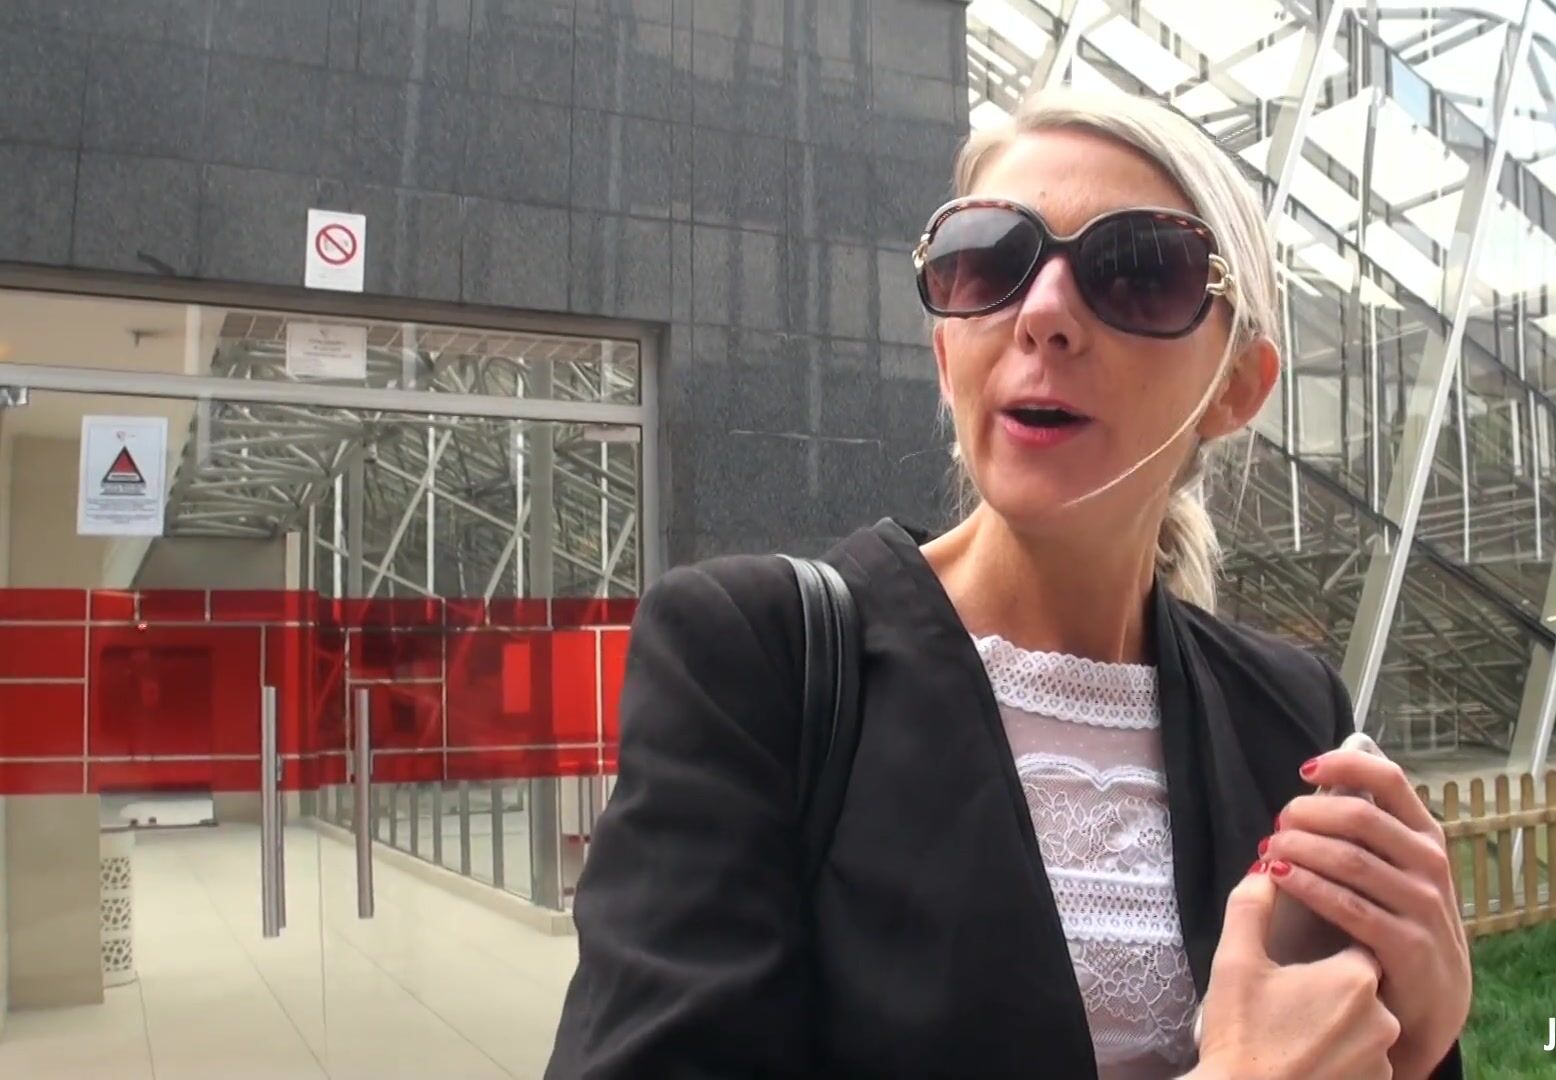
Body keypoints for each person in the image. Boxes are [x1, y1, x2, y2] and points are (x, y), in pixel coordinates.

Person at [545, 87, 1471, 1079]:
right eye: (987, 261)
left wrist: (1420, 1044)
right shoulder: (751, 657)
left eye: (1138, 271)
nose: (1043, 314)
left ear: (1236, 387)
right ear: (948, 350)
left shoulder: (1290, 715)